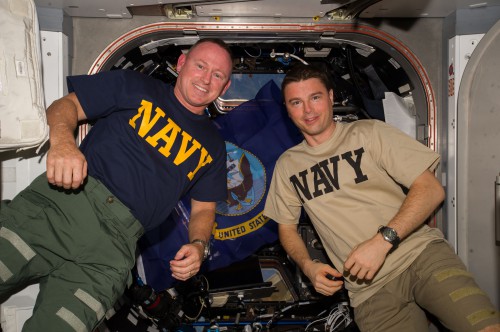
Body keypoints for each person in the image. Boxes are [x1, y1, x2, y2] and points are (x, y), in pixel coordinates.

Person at [0, 38, 233, 331]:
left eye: (218, 75)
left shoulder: (213, 145)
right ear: (182, 63)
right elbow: (66, 106)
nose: (206, 78)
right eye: (201, 66)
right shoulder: (134, 84)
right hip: (62, 207)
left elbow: (204, 209)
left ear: (224, 88)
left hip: (110, 252)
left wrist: (199, 245)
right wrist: (63, 144)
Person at [263, 63, 500, 331]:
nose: (307, 110)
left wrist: (382, 241)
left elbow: (431, 189)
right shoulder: (287, 165)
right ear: (287, 109)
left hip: (420, 256)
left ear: (330, 97)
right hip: (368, 290)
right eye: (296, 102)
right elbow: (287, 228)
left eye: (315, 97)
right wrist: (308, 267)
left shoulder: (369, 133)